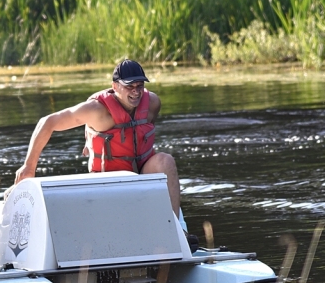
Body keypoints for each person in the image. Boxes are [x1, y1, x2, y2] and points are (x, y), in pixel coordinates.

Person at [14, 59, 194, 243]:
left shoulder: (153, 103)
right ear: (115, 86)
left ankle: (176, 230)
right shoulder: (97, 111)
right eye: (129, 86)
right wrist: (29, 166)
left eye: (139, 85)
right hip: (108, 178)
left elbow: (143, 131)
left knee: (166, 161)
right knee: (128, 177)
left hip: (140, 172)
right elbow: (47, 122)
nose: (136, 91)